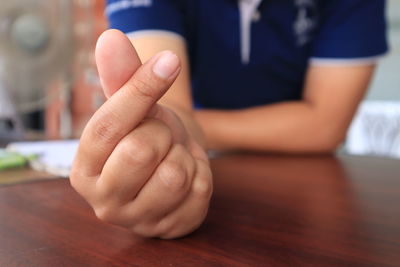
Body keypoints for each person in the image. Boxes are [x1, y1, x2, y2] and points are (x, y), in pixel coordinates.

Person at [70, 0, 388, 238]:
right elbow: (164, 106)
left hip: (307, 192)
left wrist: (188, 130)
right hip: (209, 176)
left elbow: (324, 127)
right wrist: (167, 139)